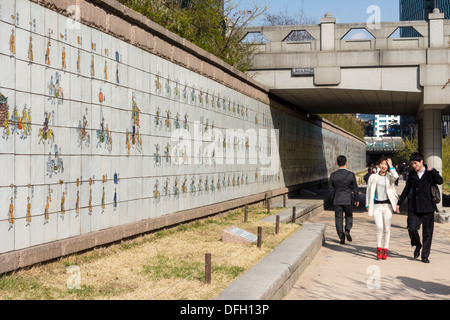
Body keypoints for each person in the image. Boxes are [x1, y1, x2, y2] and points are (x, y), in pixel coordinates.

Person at [396, 152, 443, 263]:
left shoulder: (430, 173)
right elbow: (406, 190)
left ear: (421, 162)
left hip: (428, 207)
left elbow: (440, 181)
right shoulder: (411, 174)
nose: (414, 165)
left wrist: (433, 171)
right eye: (412, 163)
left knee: (427, 233)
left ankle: (425, 255)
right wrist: (399, 203)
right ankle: (417, 244)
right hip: (414, 207)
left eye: (416, 163)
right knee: (412, 228)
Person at [365, 157, 399, 260]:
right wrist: (367, 204)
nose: (384, 166)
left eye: (385, 164)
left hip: (387, 206)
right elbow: (368, 191)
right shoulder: (373, 177)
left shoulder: (390, 176)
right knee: (379, 227)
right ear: (378, 165)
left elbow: (396, 176)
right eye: (382, 164)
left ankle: (385, 249)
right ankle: (379, 247)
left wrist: (391, 165)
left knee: (387, 229)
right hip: (377, 206)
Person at [329, 155, 359, 244]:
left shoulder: (333, 175)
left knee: (338, 219)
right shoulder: (351, 174)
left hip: (337, 199)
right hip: (348, 199)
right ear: (346, 162)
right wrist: (356, 199)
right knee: (349, 216)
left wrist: (332, 198)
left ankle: (341, 238)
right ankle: (347, 230)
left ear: (337, 163)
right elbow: (355, 188)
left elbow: (331, 189)